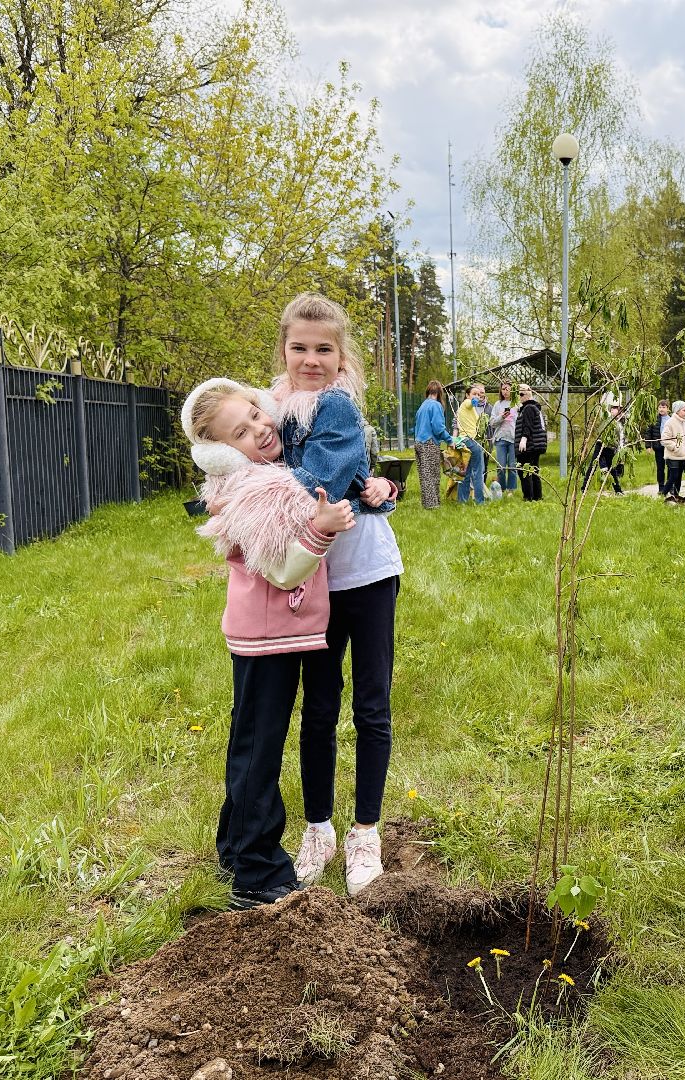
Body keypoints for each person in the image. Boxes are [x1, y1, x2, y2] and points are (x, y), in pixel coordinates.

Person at [180, 378, 357, 910]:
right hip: (266, 636)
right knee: (260, 750)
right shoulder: (251, 491)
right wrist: (321, 529)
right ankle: (258, 871)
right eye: (241, 431)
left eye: (257, 413)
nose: (260, 427)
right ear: (218, 453)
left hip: (272, 633)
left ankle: (235, 847)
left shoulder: (263, 476)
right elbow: (280, 570)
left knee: (250, 741)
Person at [272, 292, 402, 897]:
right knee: (319, 705)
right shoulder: (272, 411)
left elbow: (322, 477)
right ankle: (318, 829)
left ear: (341, 355)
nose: (311, 359)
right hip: (313, 577)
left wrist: (383, 490)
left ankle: (365, 833)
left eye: (324, 349)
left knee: (370, 703)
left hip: (367, 573)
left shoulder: (340, 407)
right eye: (300, 347)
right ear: (284, 349)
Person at [413, 380, 450, 510]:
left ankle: (427, 504)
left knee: (424, 475)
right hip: (429, 443)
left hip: (418, 442)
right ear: (439, 393)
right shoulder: (435, 405)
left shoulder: (422, 406)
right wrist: (450, 440)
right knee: (432, 474)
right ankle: (433, 505)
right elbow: (438, 428)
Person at [453, 383, 488, 505]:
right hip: (471, 441)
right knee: (478, 471)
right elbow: (471, 403)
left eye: (479, 394)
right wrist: (474, 400)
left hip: (463, 441)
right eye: (474, 394)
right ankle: (480, 501)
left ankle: (462, 500)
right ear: (467, 395)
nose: (477, 396)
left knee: (465, 473)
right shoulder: (467, 404)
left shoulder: (467, 408)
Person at [581, 403, 626, 494]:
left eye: (620, 410)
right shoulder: (606, 419)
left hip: (611, 448)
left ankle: (618, 490)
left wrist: (620, 451)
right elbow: (600, 430)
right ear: (611, 410)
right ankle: (584, 487)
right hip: (601, 445)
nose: (618, 411)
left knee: (611, 469)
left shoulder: (621, 424)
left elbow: (621, 439)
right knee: (593, 465)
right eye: (615, 409)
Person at [515, 384, 547, 502]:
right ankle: (537, 496)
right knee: (534, 471)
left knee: (525, 471)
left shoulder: (528, 408)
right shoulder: (535, 408)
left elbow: (527, 426)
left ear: (529, 394)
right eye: (519, 394)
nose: (520, 396)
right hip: (535, 445)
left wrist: (524, 439)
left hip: (529, 446)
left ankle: (528, 497)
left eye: (522, 394)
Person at [661, 400, 685, 503]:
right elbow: (665, 439)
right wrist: (675, 448)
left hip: (683, 456)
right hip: (673, 456)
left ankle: (675, 496)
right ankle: (663, 494)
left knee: (679, 477)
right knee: (673, 476)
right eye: (684, 410)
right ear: (677, 410)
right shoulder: (670, 423)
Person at [489, 382, 519, 495]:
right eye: (503, 389)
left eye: (507, 389)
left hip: (513, 439)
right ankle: (501, 489)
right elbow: (492, 423)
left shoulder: (517, 405)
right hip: (500, 438)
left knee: (512, 466)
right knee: (500, 466)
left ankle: (511, 490)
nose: (505, 391)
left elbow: (520, 422)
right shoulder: (498, 404)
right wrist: (502, 417)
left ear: (512, 390)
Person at [646, 399, 670, 495]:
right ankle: (661, 487)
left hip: (669, 447)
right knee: (660, 468)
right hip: (658, 447)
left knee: (670, 467)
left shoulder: (671, 419)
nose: (661, 409)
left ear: (668, 409)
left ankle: (670, 486)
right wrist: (648, 446)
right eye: (660, 407)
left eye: (663, 407)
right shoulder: (654, 419)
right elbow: (648, 433)